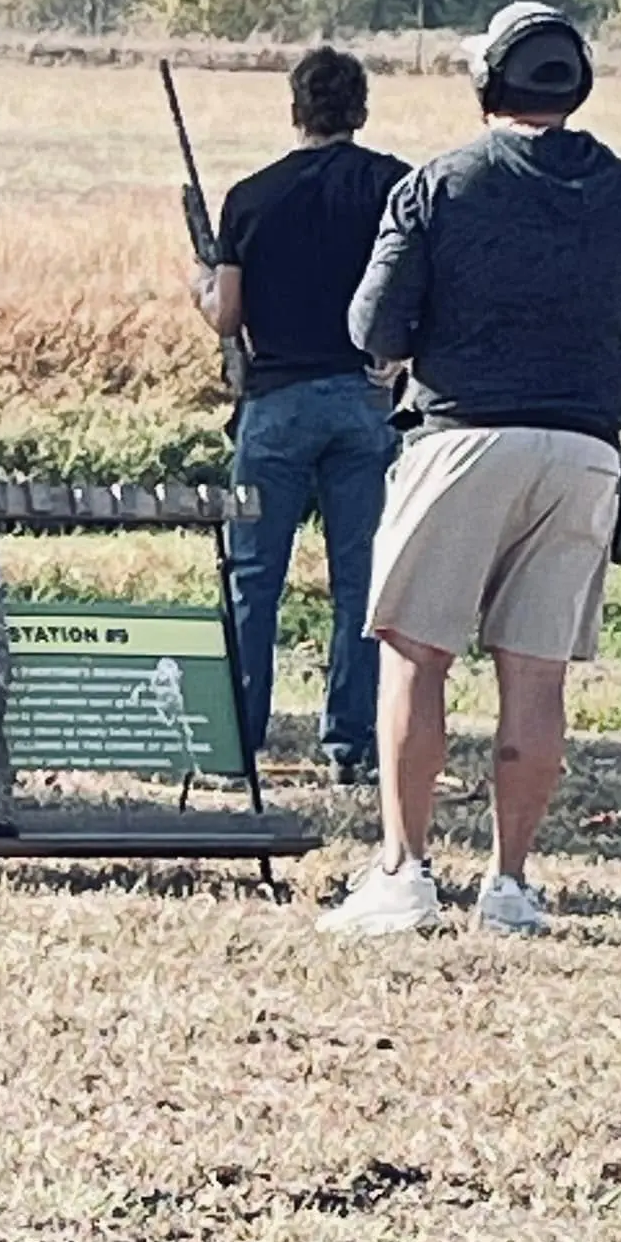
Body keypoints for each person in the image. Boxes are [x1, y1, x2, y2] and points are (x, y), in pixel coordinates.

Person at [321, 2, 621, 937]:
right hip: (583, 453)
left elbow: (374, 328)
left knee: (416, 653)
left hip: (459, 439)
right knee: (536, 674)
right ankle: (511, 884)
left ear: (487, 81)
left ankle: (406, 871)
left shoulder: (441, 184)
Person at [190, 46, 408, 785]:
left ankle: (238, 743)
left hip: (275, 405)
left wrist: (199, 283)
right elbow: (418, 290)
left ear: (295, 111)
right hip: (362, 401)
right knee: (361, 578)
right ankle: (352, 746)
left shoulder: (252, 197)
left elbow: (227, 316)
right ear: (361, 111)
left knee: (254, 576)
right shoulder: (395, 186)